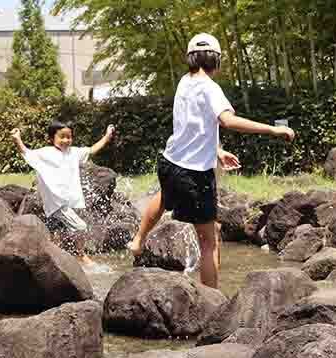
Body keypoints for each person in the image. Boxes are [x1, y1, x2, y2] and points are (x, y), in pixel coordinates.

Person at [126, 33, 296, 288]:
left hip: (170, 162)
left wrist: (217, 150)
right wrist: (273, 130)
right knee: (210, 240)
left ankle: (138, 240)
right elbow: (227, 120)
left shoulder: (185, 82)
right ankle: (210, 302)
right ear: (216, 60)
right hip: (194, 173)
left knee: (164, 196)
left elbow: (193, 125)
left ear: (190, 58)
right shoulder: (210, 88)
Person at [11, 121, 115, 265]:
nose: (66, 140)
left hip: (65, 202)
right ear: (51, 138)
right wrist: (17, 139)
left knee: (56, 232)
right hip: (57, 202)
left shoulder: (74, 152)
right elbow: (27, 153)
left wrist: (107, 136)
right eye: (62, 137)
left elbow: (91, 150)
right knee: (80, 227)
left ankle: (56, 257)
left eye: (69, 137)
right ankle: (80, 255)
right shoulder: (46, 153)